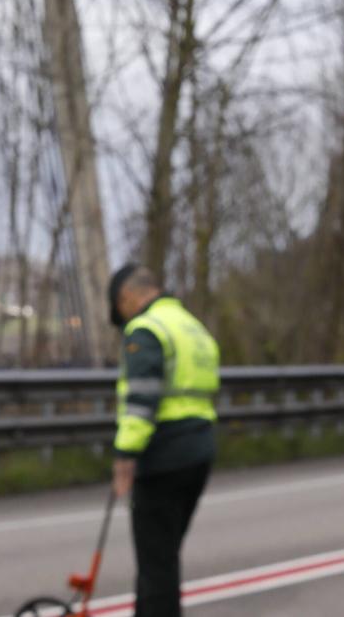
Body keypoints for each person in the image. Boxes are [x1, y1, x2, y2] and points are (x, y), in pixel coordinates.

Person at [108, 262, 220, 617]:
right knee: (165, 557)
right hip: (199, 454)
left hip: (162, 458)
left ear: (127, 297)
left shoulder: (146, 329)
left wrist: (125, 455)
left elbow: (141, 399)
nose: (123, 320)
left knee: (156, 567)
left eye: (120, 311)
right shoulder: (192, 327)